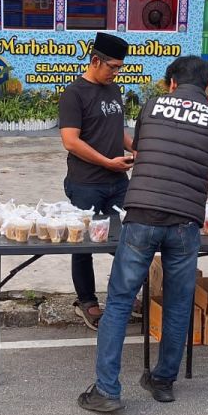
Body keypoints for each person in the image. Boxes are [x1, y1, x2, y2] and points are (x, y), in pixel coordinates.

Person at [78, 56, 208, 411]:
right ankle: (163, 381)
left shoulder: (151, 107)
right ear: (205, 87)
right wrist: (197, 170)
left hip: (142, 215)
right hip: (185, 223)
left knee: (117, 302)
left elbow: (145, 152)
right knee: (178, 303)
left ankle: (107, 391)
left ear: (172, 83)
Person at [58, 32, 134, 328]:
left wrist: (135, 148)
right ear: (94, 61)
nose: (116, 72)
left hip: (119, 182)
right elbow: (70, 141)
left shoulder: (113, 90)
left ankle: (121, 295)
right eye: (112, 67)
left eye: (119, 68)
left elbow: (118, 130)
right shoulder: (74, 94)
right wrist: (107, 162)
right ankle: (87, 301)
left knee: (127, 239)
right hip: (86, 182)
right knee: (84, 244)